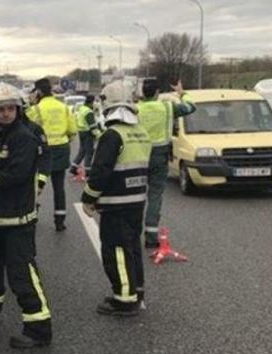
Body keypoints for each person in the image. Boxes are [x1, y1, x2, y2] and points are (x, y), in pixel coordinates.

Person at [0, 83, 52, 348]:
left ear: (18, 109)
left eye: (10, 109)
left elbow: (16, 175)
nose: (5, 113)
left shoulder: (23, 136)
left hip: (17, 218)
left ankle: (39, 328)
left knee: (21, 272)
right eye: (0, 109)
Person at [81, 82, 152, 316]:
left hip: (116, 204)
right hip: (137, 200)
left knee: (117, 251)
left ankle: (124, 299)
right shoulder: (140, 131)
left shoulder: (112, 135)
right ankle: (136, 288)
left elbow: (101, 170)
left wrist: (88, 198)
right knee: (131, 247)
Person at [137, 77, 196, 248]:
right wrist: (181, 92)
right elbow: (191, 107)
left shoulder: (136, 109)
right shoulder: (167, 107)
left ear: (142, 93)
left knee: (136, 194)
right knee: (154, 194)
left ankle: (132, 234)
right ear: (157, 93)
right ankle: (150, 236)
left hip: (138, 155)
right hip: (159, 156)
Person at [27, 78, 77, 231]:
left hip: (42, 150)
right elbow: (73, 131)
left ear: (39, 92)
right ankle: (60, 220)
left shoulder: (36, 109)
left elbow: (27, 130)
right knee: (59, 187)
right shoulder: (63, 107)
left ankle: (32, 215)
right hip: (61, 148)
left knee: (35, 184)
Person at [70, 94, 102, 178]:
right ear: (91, 102)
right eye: (94, 101)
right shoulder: (88, 112)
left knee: (82, 151)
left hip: (81, 132)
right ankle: (88, 172)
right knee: (89, 152)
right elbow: (93, 127)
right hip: (88, 134)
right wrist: (100, 136)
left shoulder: (81, 109)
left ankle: (73, 167)